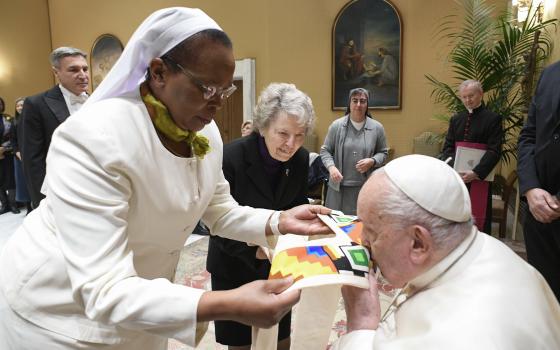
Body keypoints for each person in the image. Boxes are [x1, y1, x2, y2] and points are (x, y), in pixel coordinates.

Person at [0, 8, 331, 350]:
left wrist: (280, 220)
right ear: (158, 72)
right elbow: (103, 289)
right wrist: (228, 303)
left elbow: (219, 210)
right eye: (207, 88)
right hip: (58, 313)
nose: (217, 103)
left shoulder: (206, 131)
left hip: (143, 299)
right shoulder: (93, 137)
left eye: (225, 91)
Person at [331, 154, 560, 349]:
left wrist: (360, 327)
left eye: (371, 231)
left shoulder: (462, 335)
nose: (363, 241)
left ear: (418, 243)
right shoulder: (484, 248)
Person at [207, 82, 315, 350]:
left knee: (280, 339)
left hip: (277, 267)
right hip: (235, 265)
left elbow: (297, 203)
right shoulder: (230, 157)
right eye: (283, 133)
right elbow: (217, 221)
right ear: (263, 125)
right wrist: (257, 251)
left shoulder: (300, 160)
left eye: (300, 135)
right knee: (241, 343)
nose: (291, 144)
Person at [21, 46, 89, 209]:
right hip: (59, 191)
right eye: (73, 69)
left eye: (85, 68)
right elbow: (32, 160)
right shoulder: (36, 104)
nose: (83, 75)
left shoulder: (98, 101)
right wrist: (41, 201)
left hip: (96, 186)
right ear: (56, 72)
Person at [518, 61, 560, 302]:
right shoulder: (550, 74)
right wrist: (531, 188)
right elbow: (529, 136)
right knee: (545, 298)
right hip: (538, 211)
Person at [440, 79, 502, 233]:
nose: (468, 100)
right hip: (458, 177)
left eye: (471, 96)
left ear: (480, 94)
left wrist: (476, 173)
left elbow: (494, 150)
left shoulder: (493, 119)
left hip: (479, 178)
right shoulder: (456, 119)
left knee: (479, 217)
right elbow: (448, 147)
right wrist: (456, 169)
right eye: (464, 97)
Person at [320, 88, 388, 215]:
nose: (358, 105)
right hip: (338, 189)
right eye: (355, 100)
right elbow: (325, 151)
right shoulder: (336, 126)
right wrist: (332, 168)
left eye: (362, 101)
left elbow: (383, 153)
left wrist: (372, 161)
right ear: (349, 103)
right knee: (336, 228)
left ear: (367, 105)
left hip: (365, 188)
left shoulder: (377, 128)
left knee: (359, 229)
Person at [11, 97, 32, 213]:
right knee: (23, 184)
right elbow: (13, 142)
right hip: (20, 157)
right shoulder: (14, 123)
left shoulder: (33, 119)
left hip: (33, 155)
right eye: (18, 106)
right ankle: (29, 208)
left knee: (35, 182)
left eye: (22, 105)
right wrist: (19, 154)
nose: (20, 107)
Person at [0, 96, 20, 214]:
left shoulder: (8, 118)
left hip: (7, 154)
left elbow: (13, 136)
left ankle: (13, 205)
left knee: (10, 180)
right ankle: (4, 205)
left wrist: (3, 148)